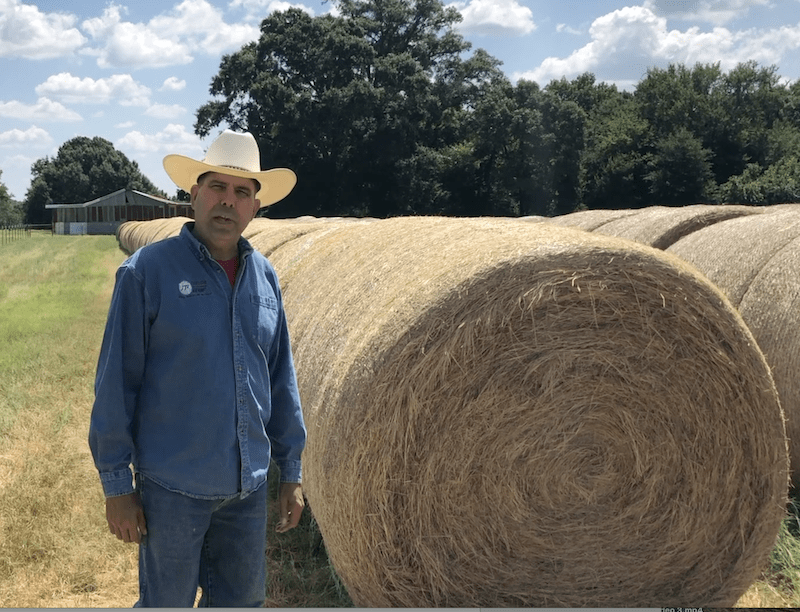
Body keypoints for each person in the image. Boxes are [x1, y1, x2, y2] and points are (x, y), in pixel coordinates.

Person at [89, 129, 307, 607]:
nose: (228, 201)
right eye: (217, 187)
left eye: (242, 192)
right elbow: (116, 383)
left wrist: (291, 471)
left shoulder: (265, 277)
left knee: (242, 604)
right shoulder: (146, 272)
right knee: (166, 604)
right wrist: (116, 485)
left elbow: (280, 378)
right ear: (194, 194)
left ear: (255, 208)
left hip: (247, 490)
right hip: (172, 488)